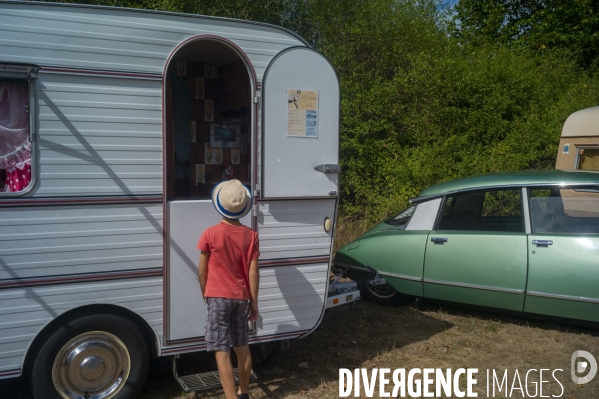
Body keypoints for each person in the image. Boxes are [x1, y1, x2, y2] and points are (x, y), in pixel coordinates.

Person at [197, 179, 260, 399]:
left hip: (217, 298)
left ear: (220, 204)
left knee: (221, 352)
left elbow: (202, 272)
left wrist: (206, 293)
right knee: (242, 348)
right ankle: (244, 393)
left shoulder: (210, 234)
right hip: (241, 298)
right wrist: (254, 301)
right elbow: (253, 273)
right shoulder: (251, 236)